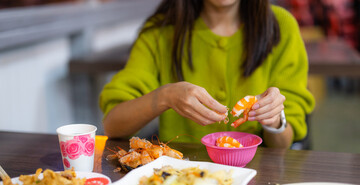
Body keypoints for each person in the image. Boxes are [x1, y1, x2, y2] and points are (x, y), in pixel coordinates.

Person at [99, 0, 315, 148]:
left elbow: (284, 143)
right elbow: (113, 124)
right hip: (181, 177)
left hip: (256, 180)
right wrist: (166, 96)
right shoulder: (160, 33)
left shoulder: (281, 27)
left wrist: (273, 119)